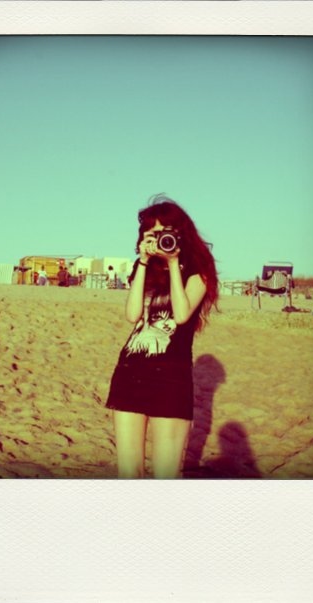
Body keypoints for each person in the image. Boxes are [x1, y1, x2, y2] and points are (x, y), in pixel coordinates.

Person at [105, 195, 219, 478]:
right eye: (150, 233)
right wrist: (143, 262)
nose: (158, 239)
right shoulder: (141, 267)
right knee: (128, 472)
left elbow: (181, 315)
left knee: (165, 475)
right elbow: (132, 315)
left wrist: (172, 263)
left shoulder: (199, 271)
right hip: (130, 371)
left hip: (171, 376)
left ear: (179, 233)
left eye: (163, 232)